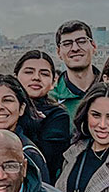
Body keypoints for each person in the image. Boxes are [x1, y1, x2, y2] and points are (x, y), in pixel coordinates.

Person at [15, 51, 73, 180]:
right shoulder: (3, 109)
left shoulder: (58, 115)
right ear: (15, 77)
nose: (36, 77)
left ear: (53, 82)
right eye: (29, 72)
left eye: (44, 74)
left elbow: (47, 159)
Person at [49, 21, 100, 117]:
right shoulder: (50, 100)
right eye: (67, 44)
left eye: (81, 41)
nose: (75, 48)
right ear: (59, 52)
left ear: (93, 46)